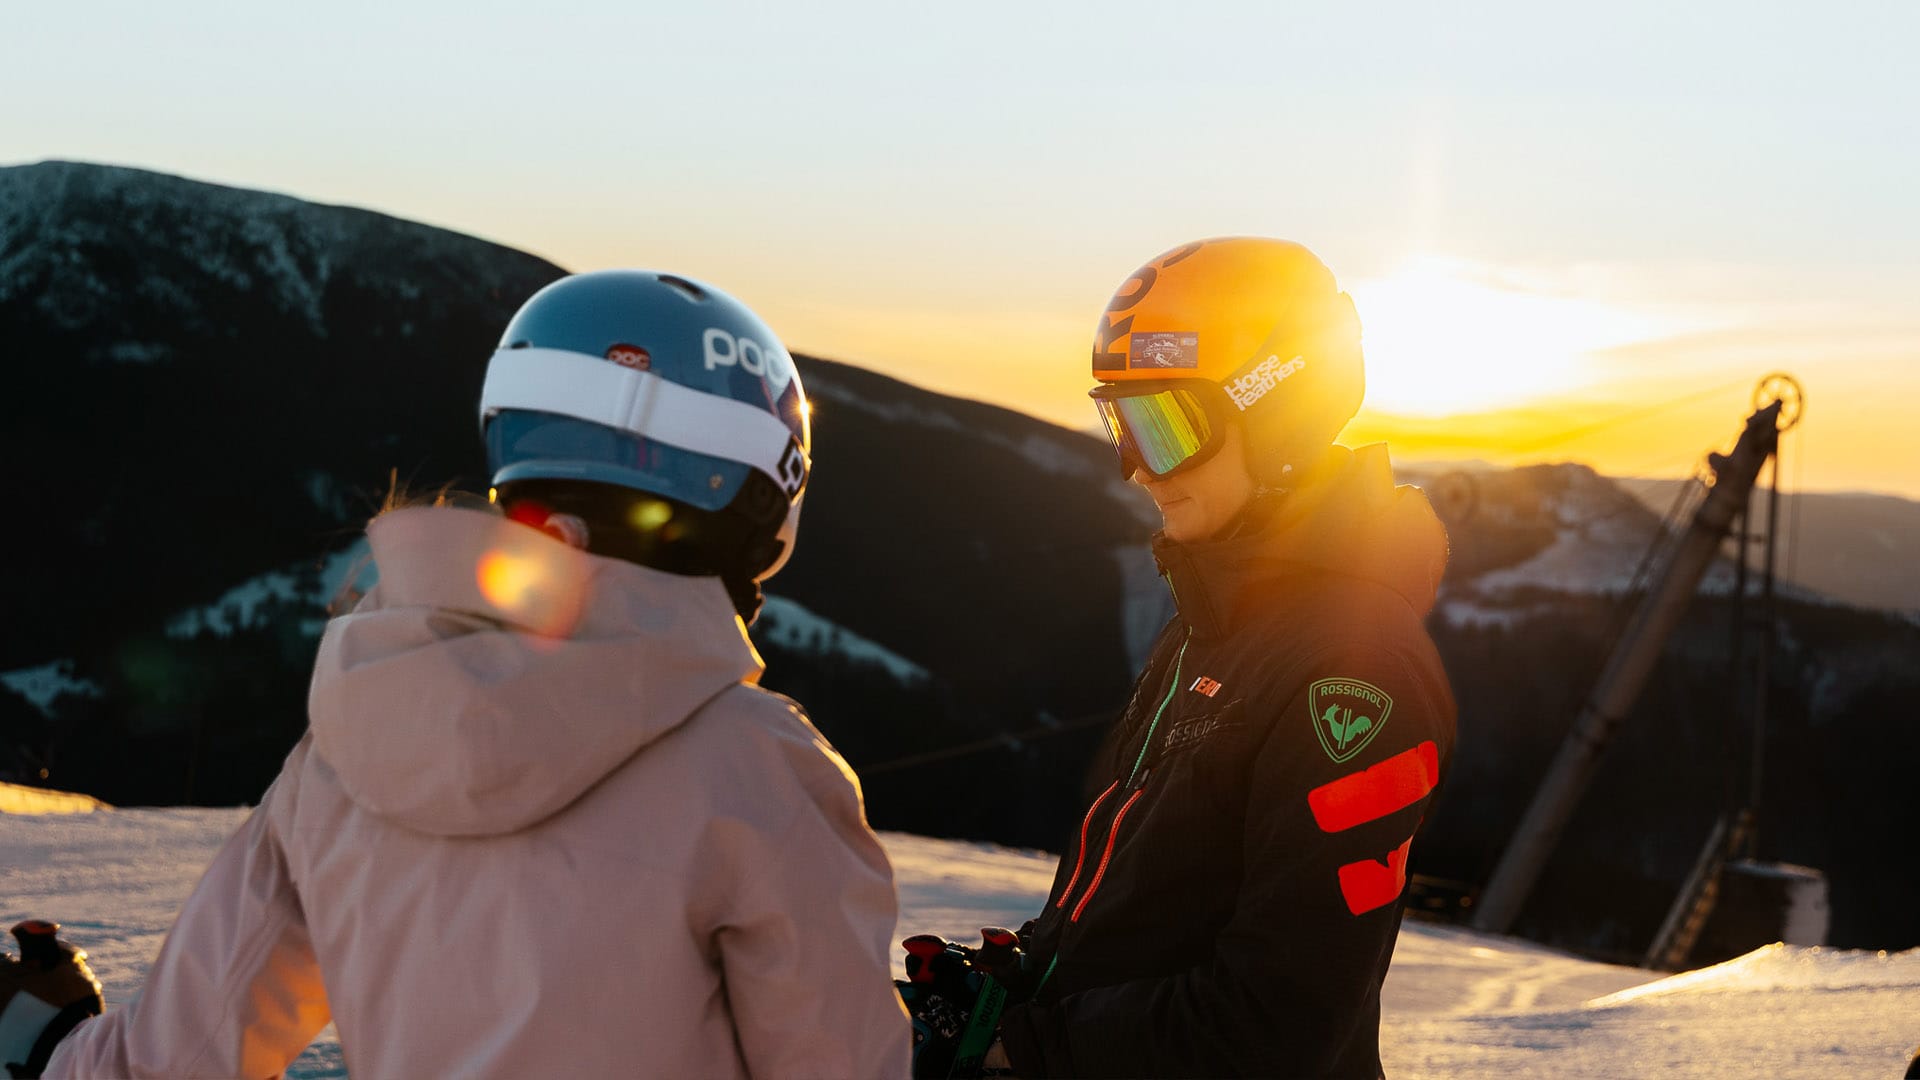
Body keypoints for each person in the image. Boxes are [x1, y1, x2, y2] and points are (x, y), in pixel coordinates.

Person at [30, 270, 911, 1078]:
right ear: (757, 493)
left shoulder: (360, 733)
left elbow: (174, 1056)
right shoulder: (760, 767)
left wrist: (46, 1053)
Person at [981, 238, 1457, 1077]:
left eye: (1164, 428)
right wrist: (1019, 981)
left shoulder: (1354, 673)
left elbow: (1278, 1021)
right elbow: (1150, 908)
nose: (1136, 471)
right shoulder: (1220, 622)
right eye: (1120, 425)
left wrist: (1026, 1051)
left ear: (1279, 414)